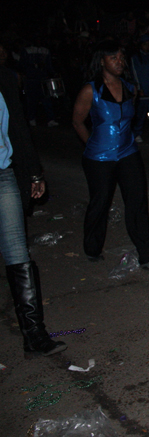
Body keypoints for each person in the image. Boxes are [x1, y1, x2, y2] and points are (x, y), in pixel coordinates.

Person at [72, 40, 149, 270]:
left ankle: (148, 255)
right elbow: (77, 121)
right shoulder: (90, 90)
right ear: (101, 61)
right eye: (113, 58)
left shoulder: (129, 87)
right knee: (100, 202)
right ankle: (92, 248)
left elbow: (129, 121)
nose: (119, 62)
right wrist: (91, 145)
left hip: (128, 152)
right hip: (99, 157)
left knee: (137, 202)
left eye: (121, 57)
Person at [1, 59, 67, 356]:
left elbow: (18, 127)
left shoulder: (4, 78)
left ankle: (35, 336)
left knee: (18, 253)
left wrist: (35, 172)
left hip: (4, 174)